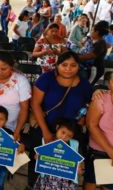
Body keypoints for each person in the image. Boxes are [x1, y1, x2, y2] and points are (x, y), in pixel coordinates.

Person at [30, 51, 92, 187]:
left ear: (78, 66)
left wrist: (80, 124)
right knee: (40, 166)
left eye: (73, 65)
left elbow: (88, 106)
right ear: (57, 65)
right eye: (64, 65)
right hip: (45, 127)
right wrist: (46, 133)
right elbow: (35, 104)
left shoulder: (85, 85)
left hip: (70, 134)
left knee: (64, 168)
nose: (68, 68)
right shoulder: (46, 78)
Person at [33, 119, 82, 189]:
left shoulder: (74, 145)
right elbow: (37, 158)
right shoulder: (47, 140)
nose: (64, 137)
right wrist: (37, 157)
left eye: (69, 136)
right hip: (47, 179)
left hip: (66, 181)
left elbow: (79, 164)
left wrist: (78, 168)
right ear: (57, 127)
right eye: (63, 132)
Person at [85, 72, 113, 190]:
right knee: (91, 183)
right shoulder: (100, 98)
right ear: (109, 83)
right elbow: (92, 126)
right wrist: (111, 152)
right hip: (99, 152)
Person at [79, 21, 108, 85]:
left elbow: (92, 55)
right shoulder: (92, 40)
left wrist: (77, 57)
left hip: (96, 69)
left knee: (88, 85)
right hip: (89, 67)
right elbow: (84, 49)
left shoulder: (100, 43)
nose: (90, 32)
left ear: (97, 32)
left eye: (92, 30)